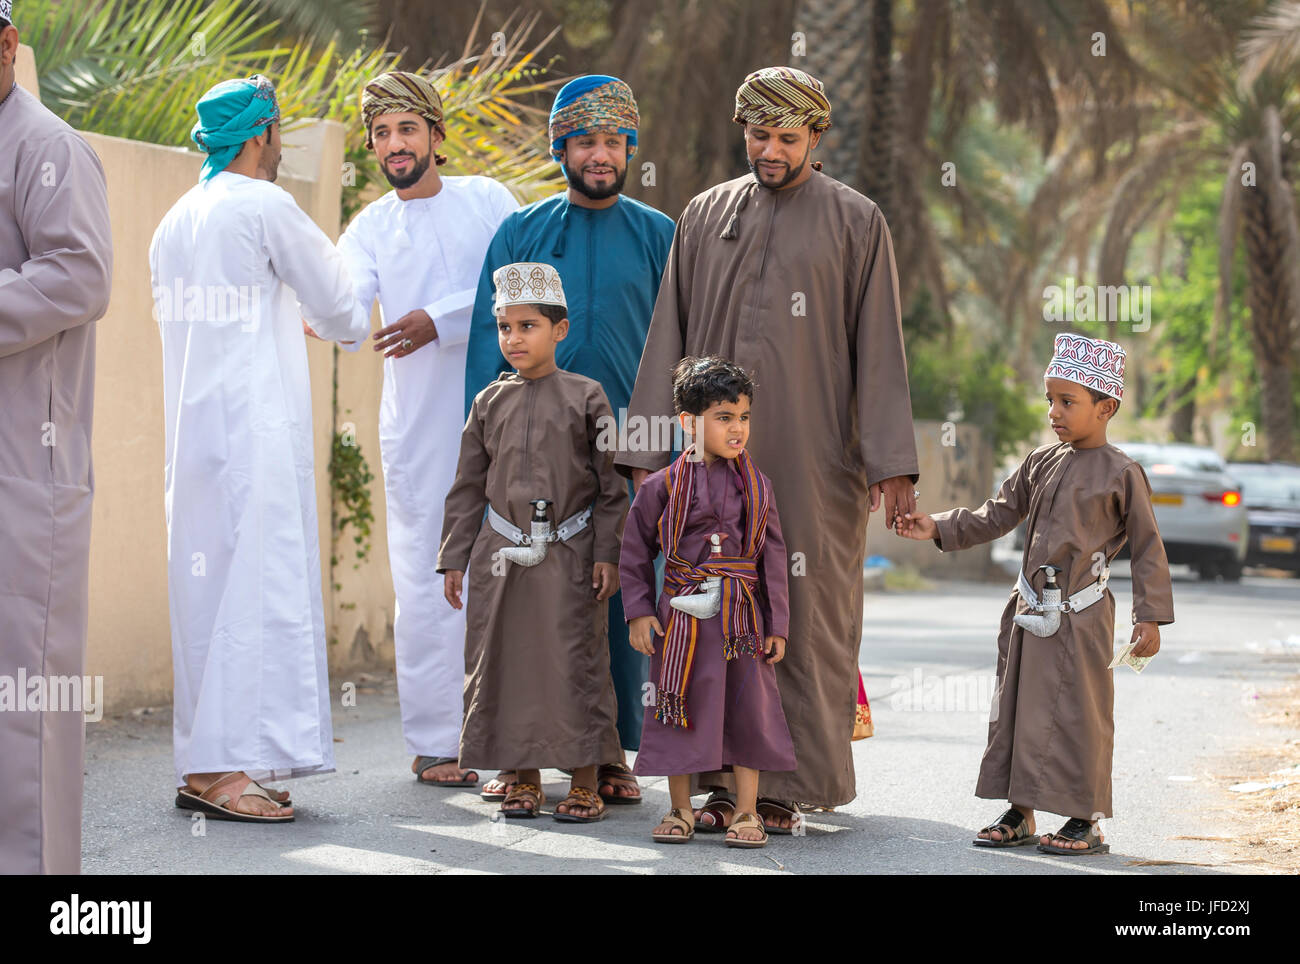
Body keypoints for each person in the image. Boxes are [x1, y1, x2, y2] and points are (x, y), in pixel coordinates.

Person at [615, 66, 919, 827]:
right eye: (759, 134)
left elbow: (880, 347)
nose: (771, 149)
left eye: (788, 137)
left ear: (816, 138)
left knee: (802, 613)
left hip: (815, 464)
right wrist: (650, 448)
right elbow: (667, 338)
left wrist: (891, 466)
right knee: (708, 615)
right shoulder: (704, 213)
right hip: (704, 466)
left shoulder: (857, 221)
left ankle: (789, 785)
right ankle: (722, 786)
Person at [151, 75, 370, 822]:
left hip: (195, 441)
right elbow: (340, 302)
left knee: (206, 599)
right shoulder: (265, 206)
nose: (280, 147)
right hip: (254, 436)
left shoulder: (174, 220)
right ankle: (220, 775)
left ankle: (214, 763)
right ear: (260, 136)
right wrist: (337, 320)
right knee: (252, 593)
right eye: (278, 132)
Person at [464, 75, 674, 806]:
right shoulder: (520, 232)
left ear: (629, 148)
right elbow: (486, 360)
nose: (600, 154)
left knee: (615, 598)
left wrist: (659, 457)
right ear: (561, 147)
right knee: (527, 609)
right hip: (532, 460)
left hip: (629, 458)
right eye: (585, 140)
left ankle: (611, 754)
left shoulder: (659, 235)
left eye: (613, 141)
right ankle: (518, 754)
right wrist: (488, 458)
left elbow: (676, 349)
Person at [896, 333, 1175, 855]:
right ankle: (1020, 811)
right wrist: (934, 526)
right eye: (1050, 399)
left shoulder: (1123, 473)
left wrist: (1151, 617)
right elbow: (996, 514)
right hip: (1028, 612)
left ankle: (1083, 819)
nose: (1054, 412)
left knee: (1079, 715)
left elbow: (1147, 548)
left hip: (1082, 617)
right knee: (1019, 707)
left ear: (1106, 406)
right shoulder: (1040, 462)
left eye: (1067, 401)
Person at [337, 70, 517, 789]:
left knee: (518, 571)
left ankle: (522, 739)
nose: (393, 144)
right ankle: (439, 742)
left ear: (437, 137)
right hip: (417, 430)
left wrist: (435, 319)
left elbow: (519, 279)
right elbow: (344, 301)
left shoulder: (489, 200)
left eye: (407, 128)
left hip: (506, 419)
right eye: (381, 133)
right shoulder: (370, 227)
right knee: (428, 578)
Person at [438, 262, 628, 823]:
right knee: (505, 663)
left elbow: (612, 488)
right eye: (505, 328)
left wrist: (608, 553)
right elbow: (467, 487)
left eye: (528, 326)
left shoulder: (586, 396)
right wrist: (453, 557)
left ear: (559, 329)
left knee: (577, 663)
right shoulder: (488, 402)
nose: (514, 339)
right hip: (498, 557)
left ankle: (586, 781)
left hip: (569, 554)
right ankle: (521, 778)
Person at [0, 1, 113, 873]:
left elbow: (78, 276)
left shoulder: (48, 147)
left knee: (25, 697)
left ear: (7, 46)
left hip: (23, 467)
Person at [619, 357, 794, 849]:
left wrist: (777, 623)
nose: (737, 429)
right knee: (678, 707)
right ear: (687, 423)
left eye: (743, 417)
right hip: (682, 623)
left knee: (749, 711)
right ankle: (679, 809)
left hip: (742, 622)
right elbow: (634, 552)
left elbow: (773, 557)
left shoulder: (758, 487)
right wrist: (639, 611)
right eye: (723, 417)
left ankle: (745, 812)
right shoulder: (660, 487)